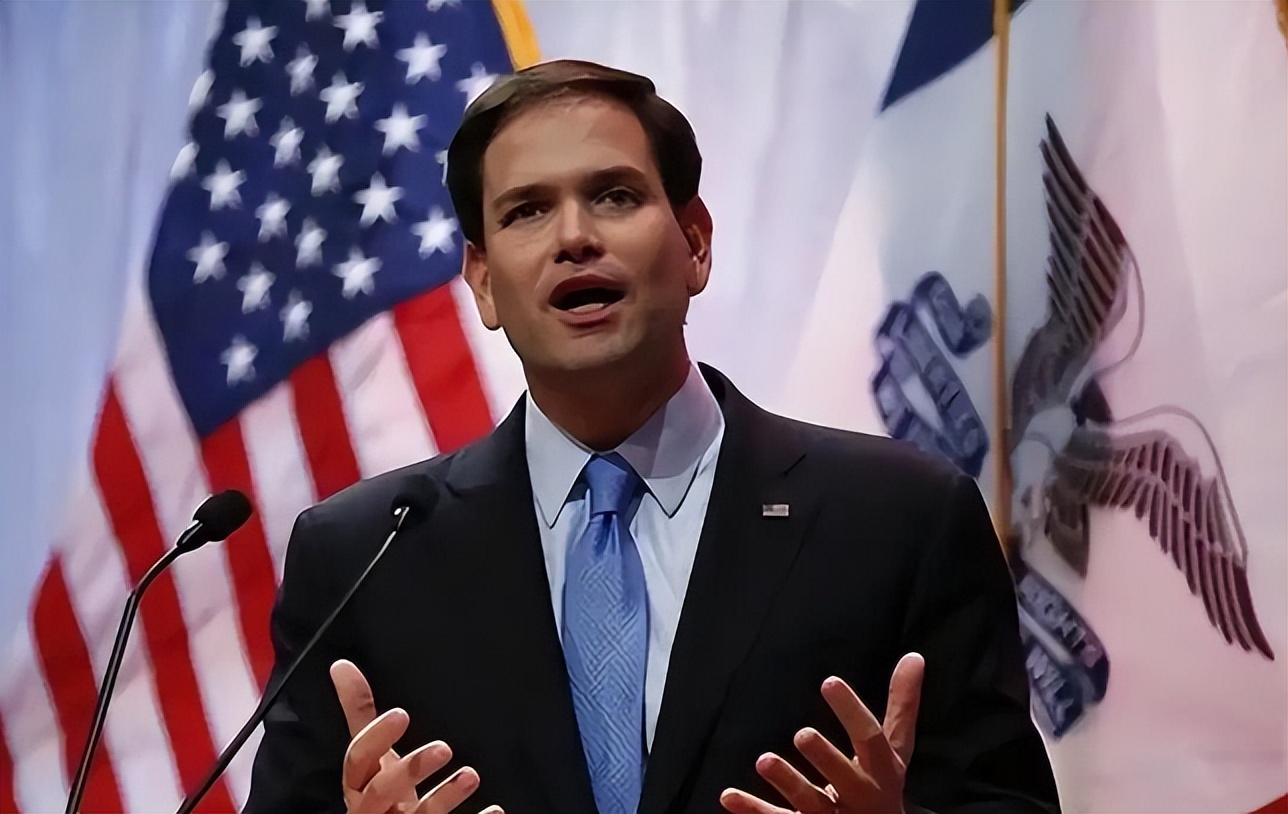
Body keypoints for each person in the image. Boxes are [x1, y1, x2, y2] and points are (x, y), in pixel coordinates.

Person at [245, 60, 1059, 814]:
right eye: (527, 211)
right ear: (483, 282)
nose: (573, 237)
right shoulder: (363, 560)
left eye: (613, 196)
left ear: (695, 243)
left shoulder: (899, 521)